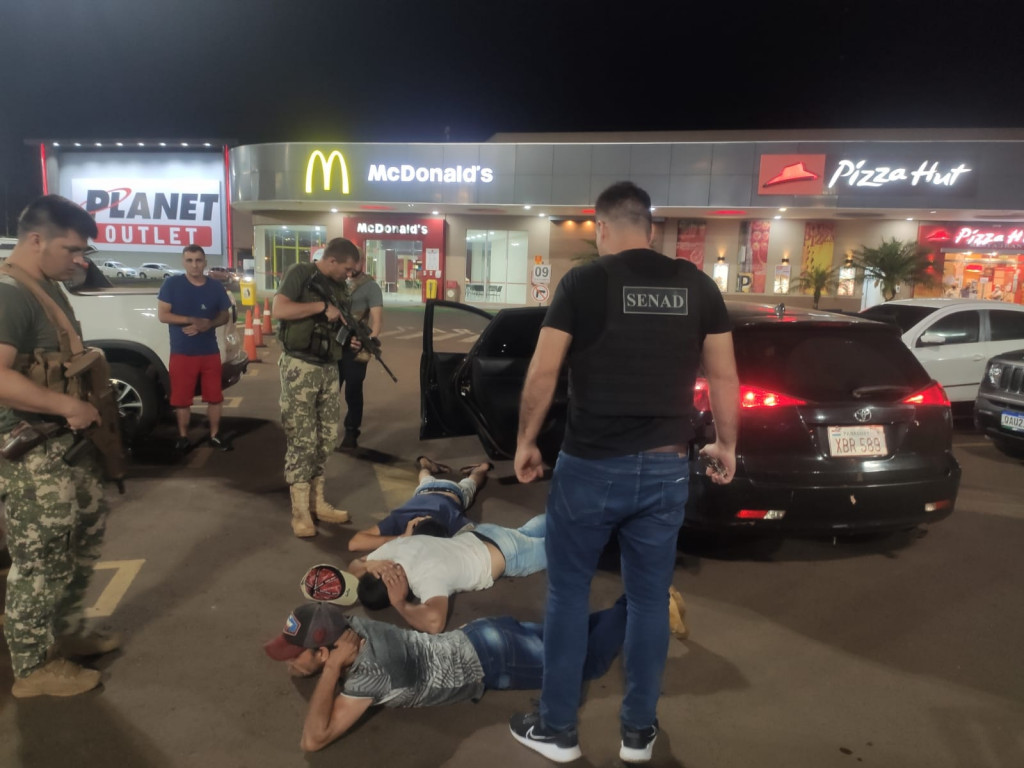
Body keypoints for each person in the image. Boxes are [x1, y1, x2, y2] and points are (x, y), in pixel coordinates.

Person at [509, 181, 740, 764]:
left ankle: (557, 729)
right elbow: (724, 378)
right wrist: (726, 444)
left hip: (591, 468)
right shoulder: (697, 286)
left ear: (602, 227)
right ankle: (638, 733)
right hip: (665, 471)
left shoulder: (585, 283)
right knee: (646, 599)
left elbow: (543, 371)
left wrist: (526, 442)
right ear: (652, 228)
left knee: (566, 595)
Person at [0, 195, 120, 697]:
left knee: (84, 540)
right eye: (72, 249)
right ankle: (32, 666)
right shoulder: (11, 294)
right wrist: (66, 406)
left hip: (67, 446)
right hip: (31, 449)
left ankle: (64, 631)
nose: (80, 259)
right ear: (36, 241)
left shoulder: (45, 286)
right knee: (42, 557)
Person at [265, 597, 633, 753]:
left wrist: (330, 671)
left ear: (327, 651)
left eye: (298, 654)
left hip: (497, 661)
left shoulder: (370, 674)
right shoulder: (352, 623)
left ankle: (642, 602)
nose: (290, 663)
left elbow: (314, 739)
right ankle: (631, 603)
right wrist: (323, 661)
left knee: (589, 661)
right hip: (482, 634)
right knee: (571, 637)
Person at [272, 238, 360, 538]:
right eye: (347, 268)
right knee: (302, 439)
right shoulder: (300, 273)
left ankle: (316, 502)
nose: (349, 274)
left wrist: (352, 340)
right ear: (332, 260)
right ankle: (300, 513)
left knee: (325, 438)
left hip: (328, 368)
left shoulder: (340, 287)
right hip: (301, 366)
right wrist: (321, 306)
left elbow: (337, 328)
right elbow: (280, 309)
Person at [347, 513, 547, 634]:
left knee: (568, 545)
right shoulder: (395, 551)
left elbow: (434, 623)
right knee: (533, 529)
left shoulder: (425, 578)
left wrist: (400, 603)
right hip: (485, 534)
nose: (389, 569)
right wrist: (369, 564)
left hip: (508, 554)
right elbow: (354, 565)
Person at [157, 244, 233, 452]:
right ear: (183, 262)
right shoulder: (172, 284)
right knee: (182, 399)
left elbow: (224, 314)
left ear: (205, 262)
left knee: (215, 397)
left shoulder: (215, 287)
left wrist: (208, 324)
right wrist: (192, 319)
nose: (194, 265)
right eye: (190, 260)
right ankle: (183, 436)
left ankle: (215, 435)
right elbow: (163, 315)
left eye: (198, 260)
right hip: (182, 352)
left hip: (209, 351)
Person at [347, 456, 492, 552]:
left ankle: (480, 469)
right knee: (426, 479)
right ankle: (426, 465)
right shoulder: (401, 517)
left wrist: (402, 537)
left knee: (471, 483)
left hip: (449, 492)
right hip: (426, 490)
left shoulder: (450, 521)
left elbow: (354, 543)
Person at [337, 256, 383, 450]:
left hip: (355, 345)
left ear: (361, 263)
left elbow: (377, 321)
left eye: (354, 262)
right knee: (329, 390)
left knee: (353, 391)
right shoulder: (336, 282)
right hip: (334, 344)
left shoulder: (370, 287)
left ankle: (351, 431)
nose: (350, 267)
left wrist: (367, 341)